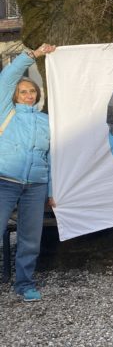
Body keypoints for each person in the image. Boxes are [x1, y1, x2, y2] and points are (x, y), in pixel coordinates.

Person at [0, 43, 56, 302]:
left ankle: (24, 284)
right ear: (14, 95)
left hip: (36, 186)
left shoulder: (46, 121)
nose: (28, 95)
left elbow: (52, 158)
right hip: (5, 181)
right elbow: (7, 77)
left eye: (32, 91)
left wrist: (52, 191)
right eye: (23, 91)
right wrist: (33, 55)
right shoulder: (6, 113)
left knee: (30, 238)